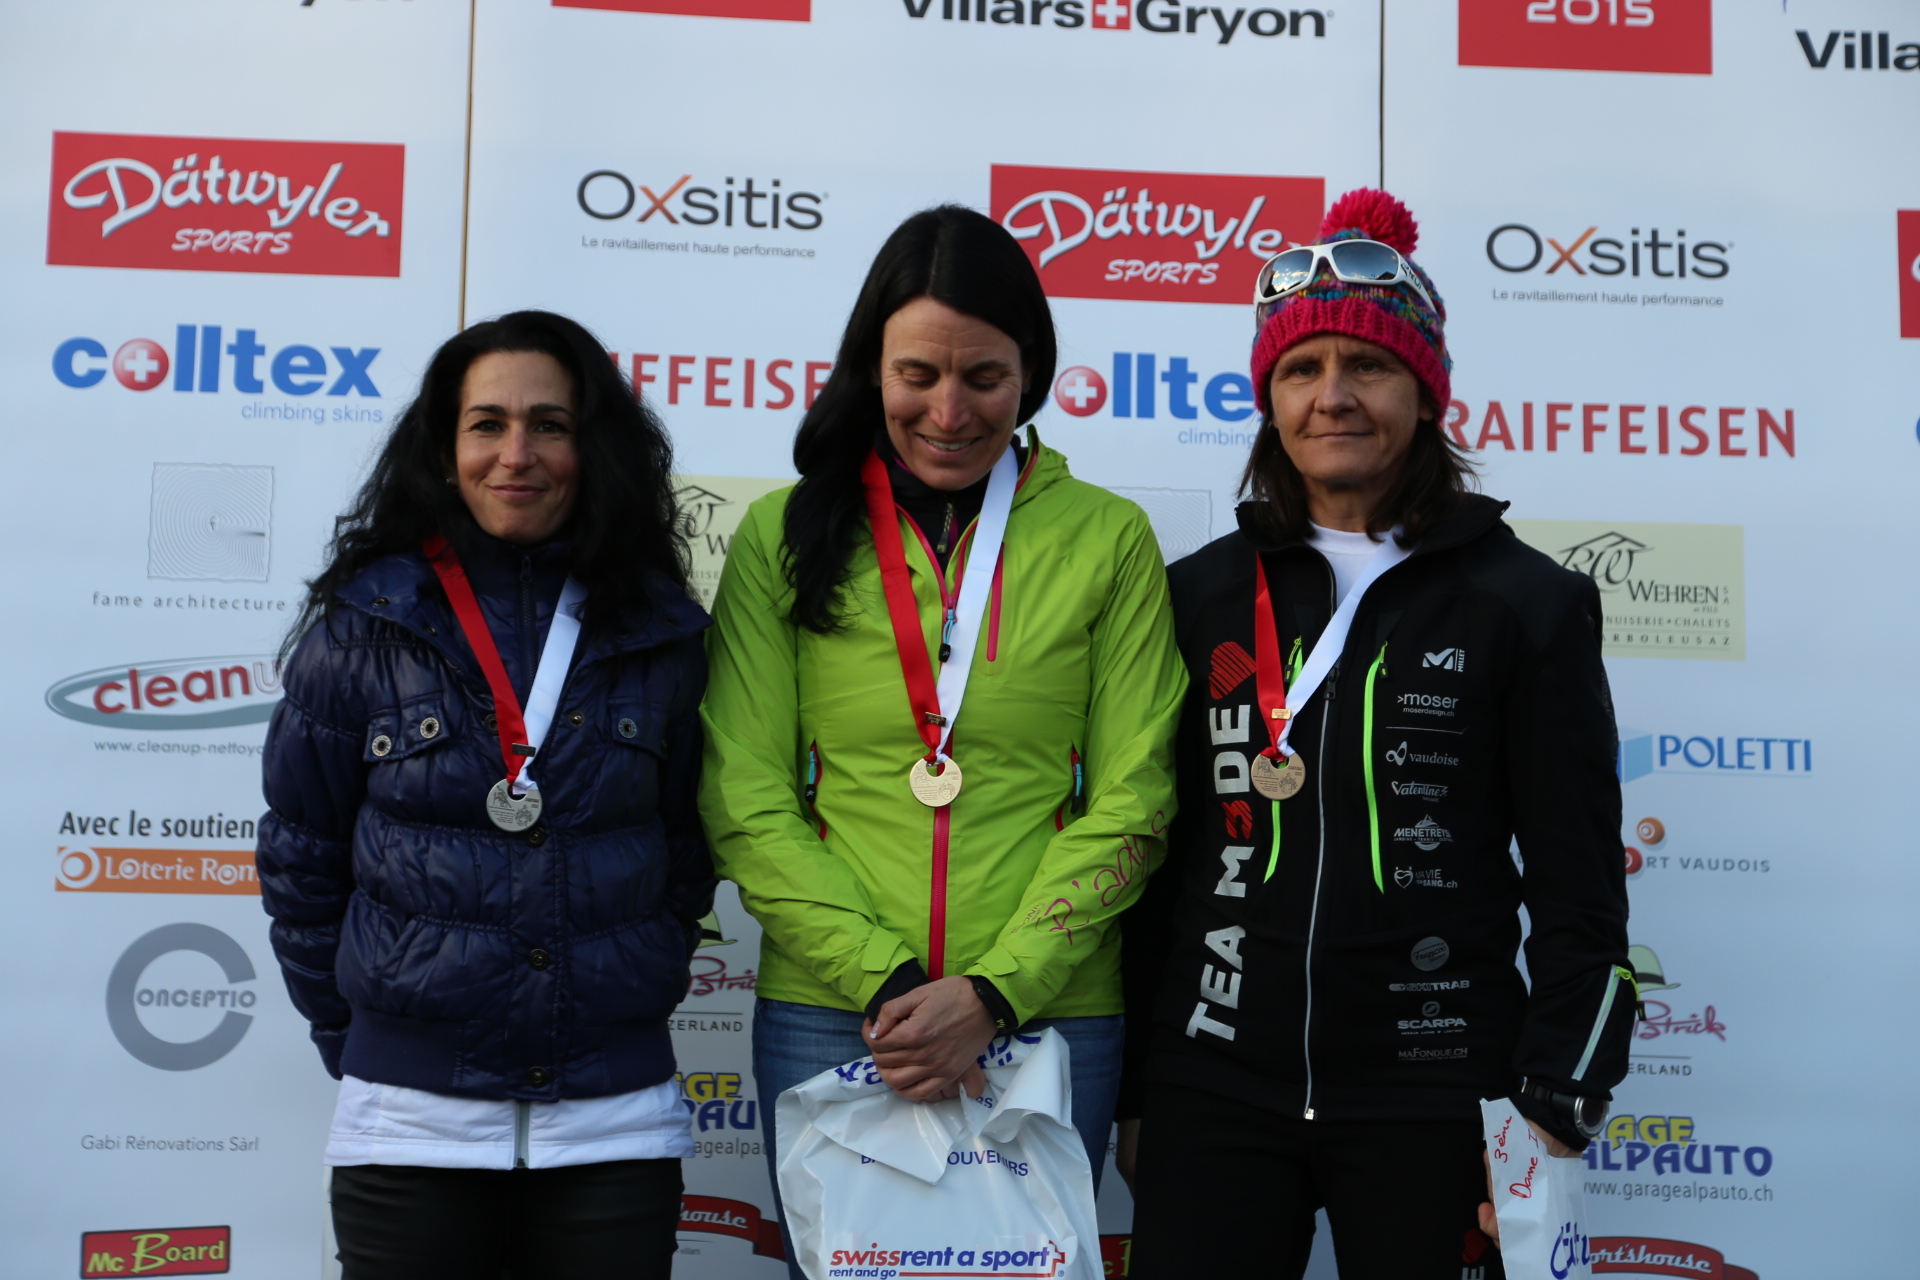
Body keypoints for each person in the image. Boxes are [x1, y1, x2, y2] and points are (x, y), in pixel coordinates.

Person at [1117, 190, 1635, 1278]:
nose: (1333, 396)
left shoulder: (1527, 603)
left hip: (1439, 1096)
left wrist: (1556, 1095)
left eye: (1368, 365)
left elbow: (1582, 884)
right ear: (1268, 396)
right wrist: (1133, 1087)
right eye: (1302, 369)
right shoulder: (1198, 594)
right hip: (1213, 1086)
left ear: (1426, 391)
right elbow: (1154, 861)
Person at [698, 205, 1187, 1273]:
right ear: (870, 368)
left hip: (1050, 1007)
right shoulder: (784, 534)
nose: (950, 410)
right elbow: (746, 794)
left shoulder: (1108, 537)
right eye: (917, 374)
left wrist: (996, 993)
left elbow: (1136, 796)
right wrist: (890, 987)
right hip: (832, 1009)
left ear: (1032, 373)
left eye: (985, 376)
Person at [256, 310, 713, 1280]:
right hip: (408, 1122)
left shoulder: (660, 632)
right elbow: (302, 859)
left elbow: (685, 850)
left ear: (594, 447)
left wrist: (623, 987)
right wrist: (368, 1039)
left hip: (613, 1123)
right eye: (487, 424)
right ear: (444, 447)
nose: (517, 454)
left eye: (550, 424)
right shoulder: (364, 626)